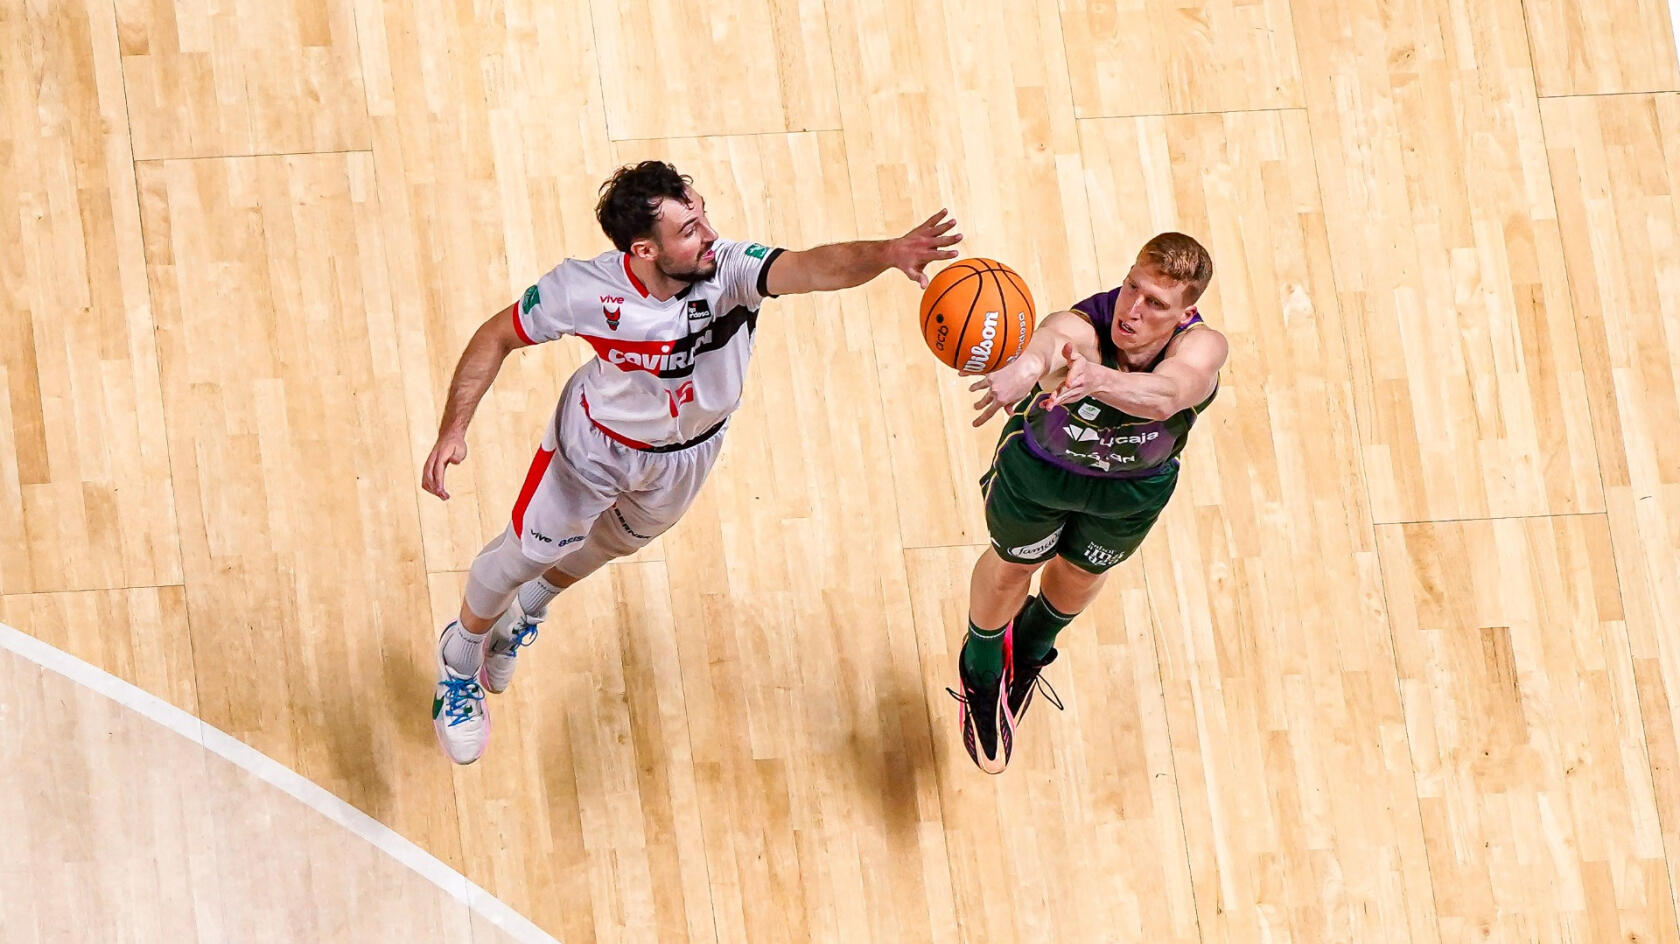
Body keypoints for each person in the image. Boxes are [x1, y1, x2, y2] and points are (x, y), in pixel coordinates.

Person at [422, 160, 960, 764]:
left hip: (686, 457)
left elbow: (814, 265)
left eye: (703, 214)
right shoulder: (584, 290)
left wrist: (888, 252)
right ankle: (460, 657)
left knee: (604, 548)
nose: (708, 234)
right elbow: (496, 334)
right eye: (689, 228)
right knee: (528, 551)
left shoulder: (729, 269)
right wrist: (454, 430)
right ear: (644, 249)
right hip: (594, 448)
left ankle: (526, 610)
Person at [953, 232, 1227, 773]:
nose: (1134, 309)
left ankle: (1030, 649)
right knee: (1015, 567)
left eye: (1155, 303)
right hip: (1041, 471)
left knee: (1078, 577)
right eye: (1132, 287)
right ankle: (981, 667)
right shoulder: (1085, 328)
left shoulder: (1202, 348)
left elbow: (1167, 397)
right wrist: (1027, 368)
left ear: (1185, 311)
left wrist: (1093, 380)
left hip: (1131, 487)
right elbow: (1049, 343)